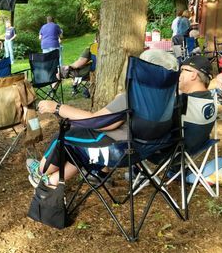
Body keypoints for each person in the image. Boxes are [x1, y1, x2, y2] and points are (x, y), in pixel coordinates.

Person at [26, 49, 179, 188]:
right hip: (146, 150)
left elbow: (96, 121)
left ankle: (40, 172)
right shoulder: (168, 102)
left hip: (118, 151)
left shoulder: (131, 99)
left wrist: (57, 108)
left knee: (63, 138)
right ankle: (53, 181)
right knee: (77, 140)